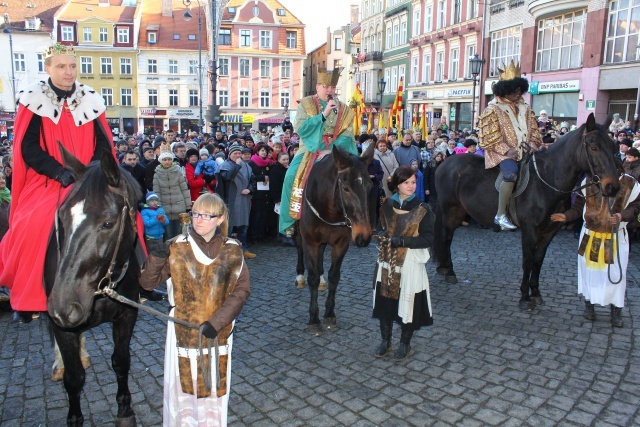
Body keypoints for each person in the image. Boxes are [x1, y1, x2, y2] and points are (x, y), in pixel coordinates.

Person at [0, 43, 115, 323]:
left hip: (88, 176)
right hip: (49, 179)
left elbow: (103, 143)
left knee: (123, 213)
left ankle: (135, 283)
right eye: (61, 66)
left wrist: (93, 172)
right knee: (33, 224)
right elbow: (28, 148)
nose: (68, 72)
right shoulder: (33, 99)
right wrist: (60, 173)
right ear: (48, 68)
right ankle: (29, 297)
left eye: (72, 66)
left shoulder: (90, 99)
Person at [139, 193, 250, 426]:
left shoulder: (233, 250)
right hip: (182, 332)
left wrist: (217, 322)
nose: (198, 220)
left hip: (217, 333)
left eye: (206, 215)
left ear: (220, 219)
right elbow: (147, 285)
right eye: (196, 213)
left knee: (213, 387)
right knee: (183, 388)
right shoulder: (176, 247)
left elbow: (241, 291)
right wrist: (156, 258)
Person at [551, 173, 640, 327]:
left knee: (615, 275)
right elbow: (578, 207)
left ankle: (616, 311)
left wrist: (621, 216)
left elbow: (636, 206)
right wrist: (566, 216)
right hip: (591, 236)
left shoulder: (629, 182)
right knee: (589, 273)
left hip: (614, 238)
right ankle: (589, 306)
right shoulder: (589, 181)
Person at [279, 68, 356, 238]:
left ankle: (354, 219)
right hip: (309, 147)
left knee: (355, 178)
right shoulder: (305, 104)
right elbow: (301, 128)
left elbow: (348, 134)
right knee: (291, 175)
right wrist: (324, 114)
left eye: (332, 87)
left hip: (335, 148)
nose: (329, 90)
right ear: (318, 87)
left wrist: (332, 150)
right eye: (326, 86)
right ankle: (291, 220)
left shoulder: (345, 110)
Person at [372, 166, 435, 360]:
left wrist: (404, 241)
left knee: (408, 304)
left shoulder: (422, 209)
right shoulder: (387, 205)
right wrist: (381, 234)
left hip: (410, 262)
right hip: (387, 260)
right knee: (384, 301)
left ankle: (404, 344)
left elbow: (428, 239)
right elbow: (380, 227)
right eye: (406, 182)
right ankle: (385, 341)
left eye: (413, 182)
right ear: (397, 184)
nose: (411, 186)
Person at [477, 60, 542, 230]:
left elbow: (534, 130)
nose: (518, 92)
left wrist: (534, 144)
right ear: (506, 89)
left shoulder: (526, 108)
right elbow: (488, 137)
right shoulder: (492, 109)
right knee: (511, 172)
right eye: (515, 89)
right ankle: (500, 214)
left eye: (520, 89)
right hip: (501, 153)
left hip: (526, 151)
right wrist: (507, 150)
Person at [216, 144, 256, 259]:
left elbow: (253, 180)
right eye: (235, 153)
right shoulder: (225, 165)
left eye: (239, 153)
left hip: (244, 200)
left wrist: (249, 189)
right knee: (228, 227)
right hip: (230, 200)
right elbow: (227, 177)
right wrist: (237, 166)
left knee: (243, 225)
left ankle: (243, 248)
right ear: (230, 155)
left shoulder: (247, 166)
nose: (238, 156)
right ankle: (225, 251)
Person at [153, 143, 191, 240]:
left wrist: (188, 206)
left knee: (180, 233)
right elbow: (157, 192)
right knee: (168, 234)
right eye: (165, 160)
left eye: (169, 159)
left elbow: (184, 189)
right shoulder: (157, 174)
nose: (167, 162)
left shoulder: (177, 172)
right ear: (161, 161)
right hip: (165, 209)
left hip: (179, 207)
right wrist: (158, 207)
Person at [248, 143, 274, 243]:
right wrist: (262, 178)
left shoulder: (268, 163)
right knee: (256, 215)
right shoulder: (251, 163)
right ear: (258, 152)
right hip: (256, 193)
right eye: (262, 151)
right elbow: (250, 177)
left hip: (266, 193)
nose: (264, 152)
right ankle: (254, 235)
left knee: (264, 214)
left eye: (265, 151)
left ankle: (261, 234)